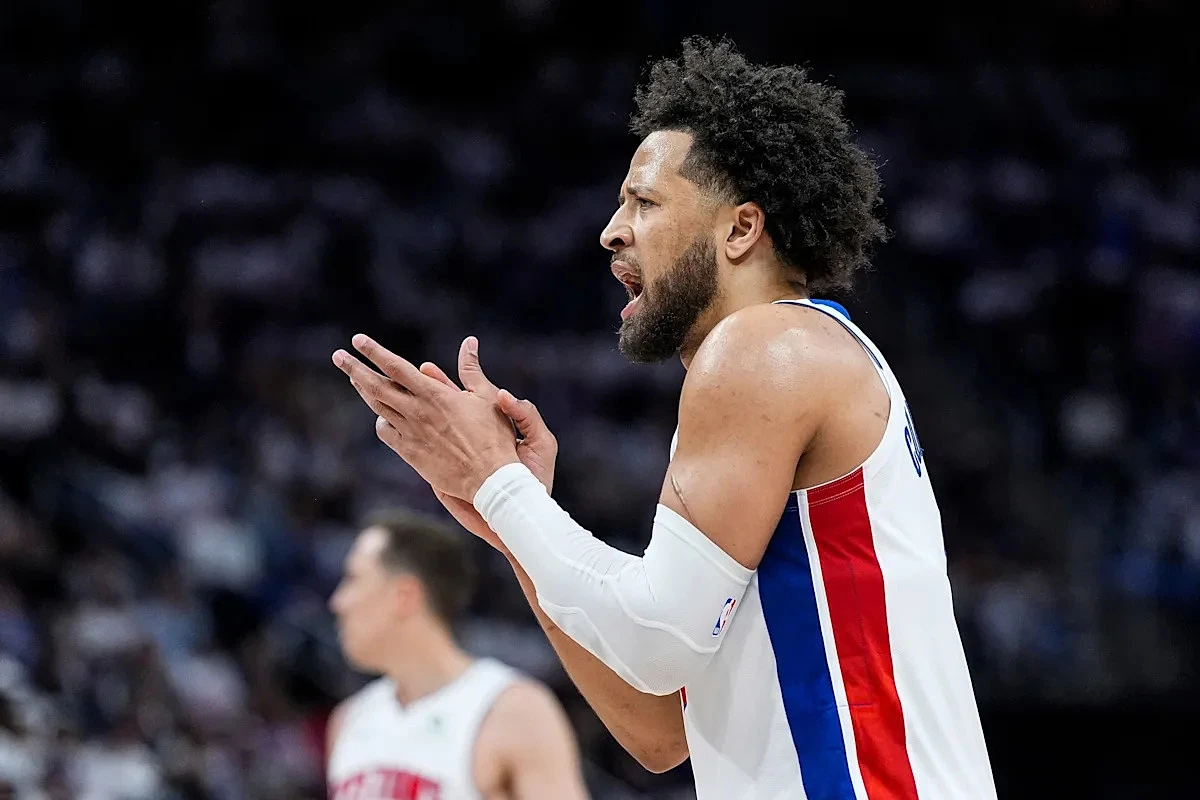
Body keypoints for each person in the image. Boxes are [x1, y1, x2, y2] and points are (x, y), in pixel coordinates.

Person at [332, 35, 998, 800]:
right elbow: (655, 729)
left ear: (740, 229)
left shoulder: (765, 347)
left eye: (644, 202)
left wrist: (497, 484)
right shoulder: (796, 359)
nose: (612, 230)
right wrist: (516, 521)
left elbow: (657, 643)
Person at [325, 509, 590, 800]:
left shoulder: (512, 710)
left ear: (404, 596)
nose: (338, 602)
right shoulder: (348, 720)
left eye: (352, 579)